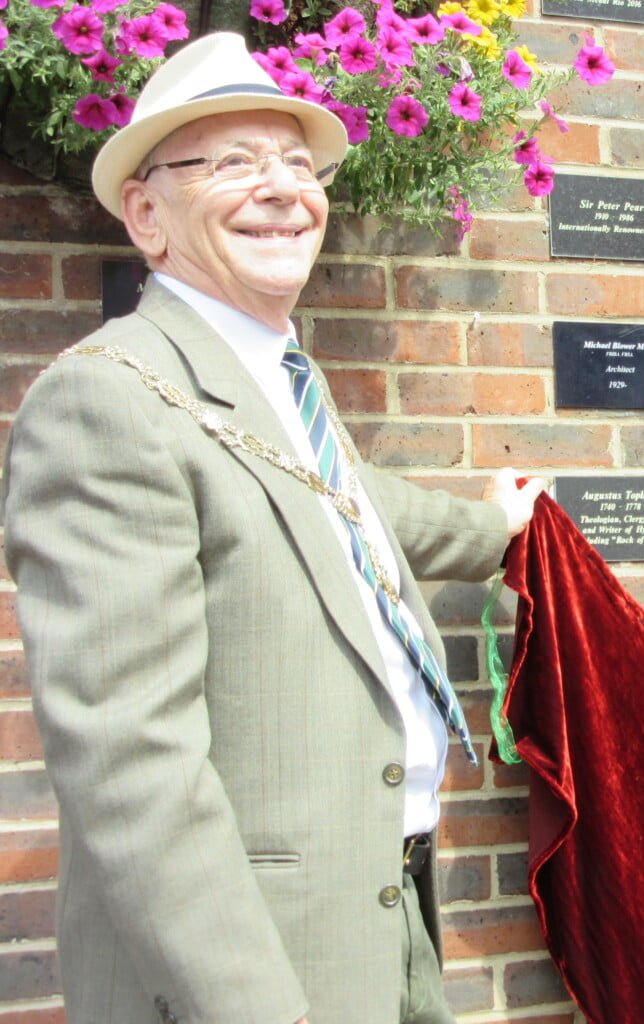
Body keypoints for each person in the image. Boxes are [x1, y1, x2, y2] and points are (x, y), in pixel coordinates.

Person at [0, 33, 545, 1024]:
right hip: (257, 973)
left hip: (385, 914)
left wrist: (497, 529)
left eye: (299, 163)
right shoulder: (105, 400)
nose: (285, 189)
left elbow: (349, 504)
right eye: (236, 162)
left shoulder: (278, 380)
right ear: (147, 215)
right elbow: (131, 768)